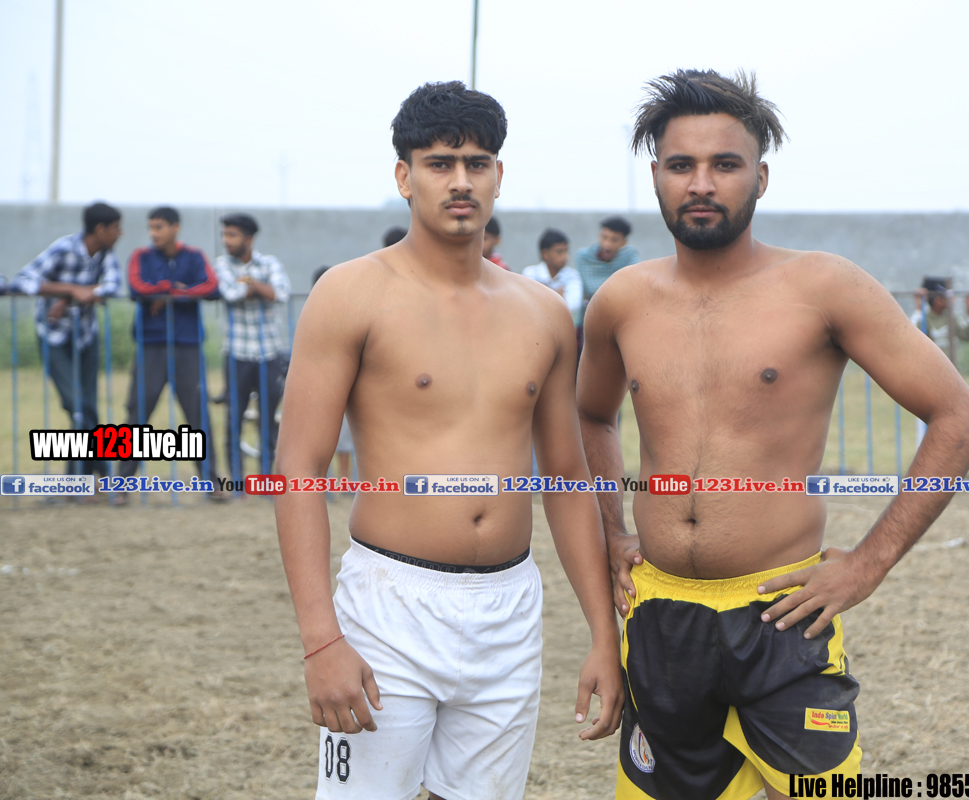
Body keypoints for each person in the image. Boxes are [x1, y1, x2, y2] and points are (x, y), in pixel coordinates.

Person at [576, 69, 969, 800]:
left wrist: (867, 565)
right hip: (660, 612)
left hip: (781, 613)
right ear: (657, 177)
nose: (702, 184)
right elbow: (592, 414)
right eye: (681, 165)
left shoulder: (823, 287)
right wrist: (612, 533)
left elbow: (960, 419)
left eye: (725, 164)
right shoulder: (622, 300)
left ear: (760, 178)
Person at [274, 80, 621, 800]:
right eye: (440, 163)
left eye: (477, 163)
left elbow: (566, 480)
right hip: (390, 602)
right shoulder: (351, 293)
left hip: (508, 608)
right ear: (405, 177)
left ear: (499, 175)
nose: (461, 181)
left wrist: (602, 634)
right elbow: (298, 467)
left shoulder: (544, 313)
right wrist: (320, 638)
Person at [13, 202, 123, 478]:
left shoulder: (106, 254)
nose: (120, 233)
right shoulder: (64, 248)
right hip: (54, 337)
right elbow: (23, 281)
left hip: (85, 335)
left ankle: (79, 478)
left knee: (87, 406)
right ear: (100, 229)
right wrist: (70, 290)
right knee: (77, 405)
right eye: (116, 228)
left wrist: (70, 297)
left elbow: (113, 285)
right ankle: (97, 470)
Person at [115, 206, 220, 494]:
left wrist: (170, 294)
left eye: (159, 227)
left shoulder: (195, 256)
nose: (153, 233)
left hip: (187, 345)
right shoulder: (141, 256)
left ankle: (212, 481)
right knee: (137, 413)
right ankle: (121, 482)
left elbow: (211, 287)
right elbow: (136, 288)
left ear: (175, 228)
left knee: (197, 414)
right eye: (151, 227)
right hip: (151, 345)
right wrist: (172, 287)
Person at [214, 212, 290, 480]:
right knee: (234, 418)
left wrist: (250, 283)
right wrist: (260, 288)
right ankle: (236, 481)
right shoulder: (222, 264)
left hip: (269, 352)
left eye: (232, 235)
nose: (226, 240)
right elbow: (230, 293)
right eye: (224, 234)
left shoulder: (269, 262)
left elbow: (281, 293)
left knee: (268, 419)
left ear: (249, 239)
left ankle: (266, 479)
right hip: (237, 352)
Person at [911, 276, 969, 445]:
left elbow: (967, 336)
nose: (951, 300)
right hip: (930, 377)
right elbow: (913, 335)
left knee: (952, 415)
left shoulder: (952, 317)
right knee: (927, 416)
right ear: (937, 300)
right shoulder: (925, 318)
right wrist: (918, 308)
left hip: (951, 376)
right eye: (946, 296)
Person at [311, 265, 353, 488]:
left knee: (344, 435)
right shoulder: (313, 316)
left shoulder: (347, 313)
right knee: (320, 436)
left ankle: (344, 481)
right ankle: (325, 481)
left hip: (342, 381)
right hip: (321, 383)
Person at [523, 228, 583, 331]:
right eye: (559, 252)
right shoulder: (530, 272)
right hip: (535, 330)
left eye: (566, 251)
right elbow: (528, 305)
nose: (565, 256)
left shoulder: (572, 275)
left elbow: (573, 306)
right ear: (545, 253)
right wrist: (558, 294)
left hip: (564, 331)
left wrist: (541, 292)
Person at [576, 215, 640, 307]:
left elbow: (636, 283)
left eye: (614, 240)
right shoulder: (583, 256)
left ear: (624, 242)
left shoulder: (630, 254)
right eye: (604, 237)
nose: (607, 243)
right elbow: (590, 289)